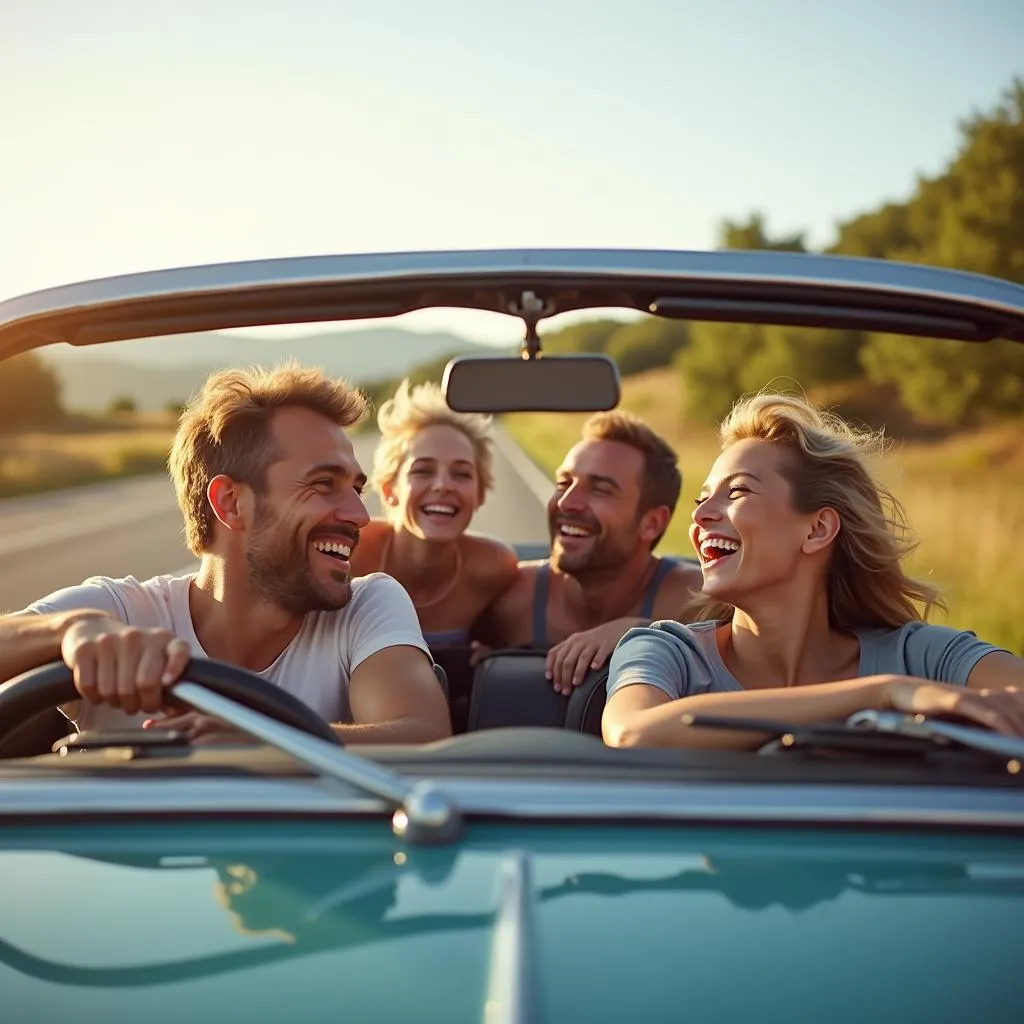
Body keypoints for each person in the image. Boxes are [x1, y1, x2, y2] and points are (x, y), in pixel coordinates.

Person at [0, 363, 452, 745]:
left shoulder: (367, 605)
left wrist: (261, 737)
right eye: (322, 484)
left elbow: (422, 735)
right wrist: (69, 630)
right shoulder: (122, 613)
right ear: (231, 503)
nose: (359, 514)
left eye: (355, 488)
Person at [602, 392, 1024, 748]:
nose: (702, 516)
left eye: (737, 491)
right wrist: (884, 694)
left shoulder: (921, 656)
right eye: (702, 500)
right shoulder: (667, 652)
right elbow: (633, 732)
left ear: (818, 529)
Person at [475, 410, 704, 694]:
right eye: (563, 483)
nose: (568, 502)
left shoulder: (695, 602)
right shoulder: (507, 597)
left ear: (651, 523)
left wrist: (645, 632)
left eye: (600, 490)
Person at [347, 378, 518, 647]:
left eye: (461, 473)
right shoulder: (351, 551)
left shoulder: (493, 568)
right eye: (423, 470)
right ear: (389, 489)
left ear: (480, 495)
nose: (442, 485)